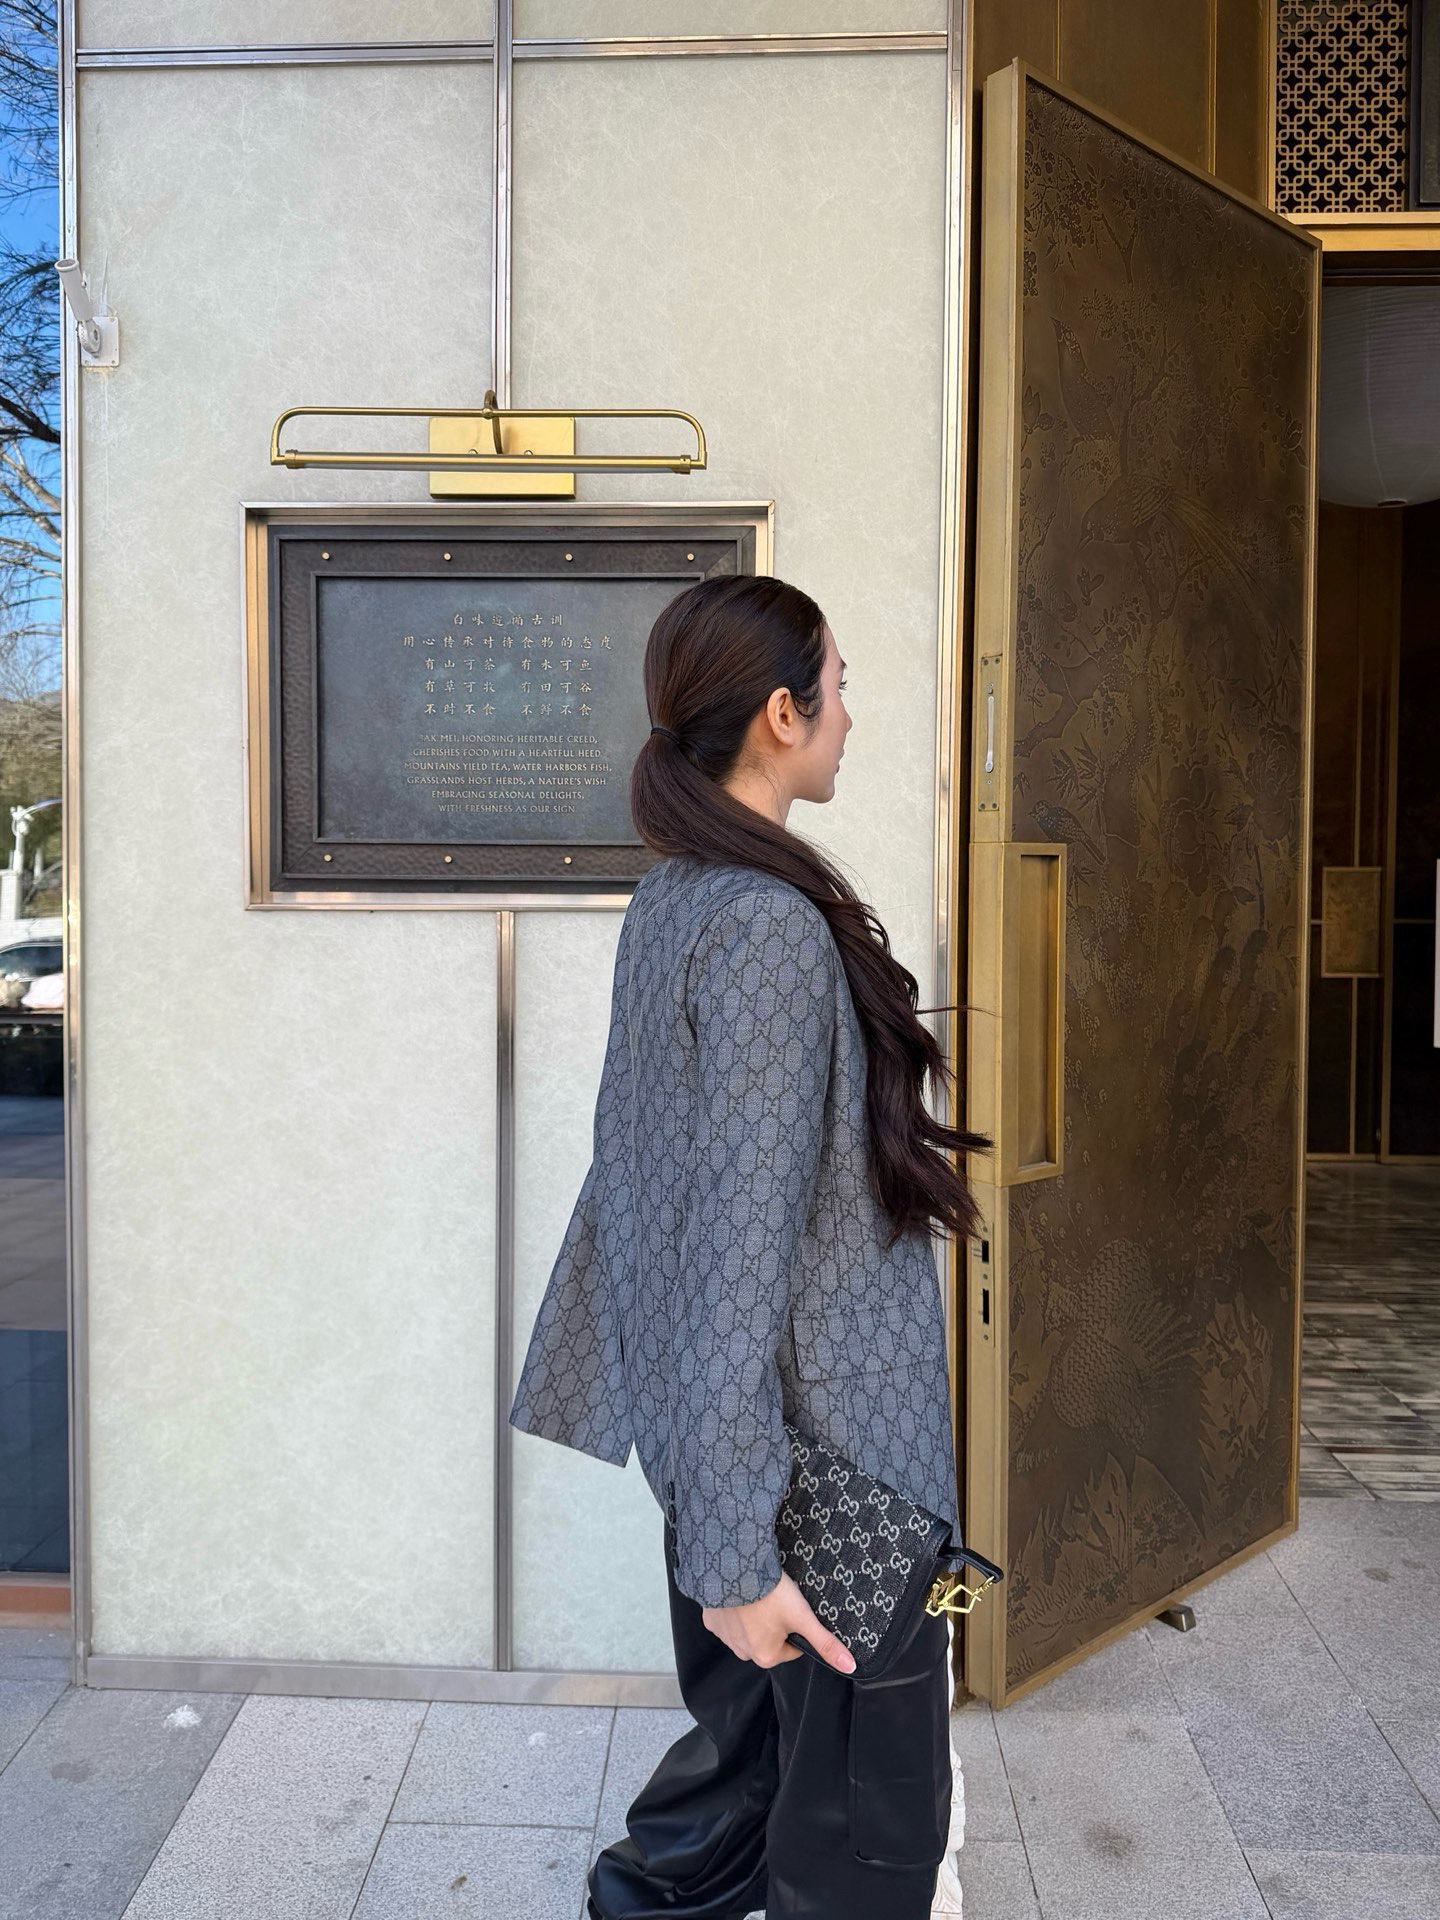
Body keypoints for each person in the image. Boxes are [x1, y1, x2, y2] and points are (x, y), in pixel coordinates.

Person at [509, 573, 992, 1920]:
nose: (851, 713)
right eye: (838, 687)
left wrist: (708, 1510)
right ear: (783, 713)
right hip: (831, 1476)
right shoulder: (765, 924)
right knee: (861, 1837)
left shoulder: (680, 897)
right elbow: (730, 1248)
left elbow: (638, 1191)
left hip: (744, 1458)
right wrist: (733, 1561)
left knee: (747, 1782)